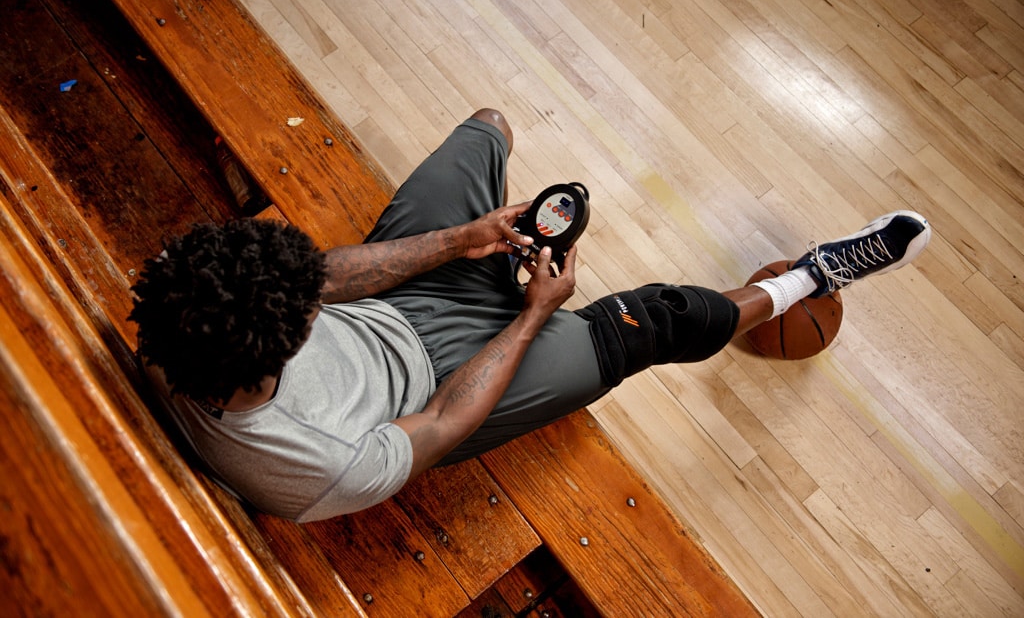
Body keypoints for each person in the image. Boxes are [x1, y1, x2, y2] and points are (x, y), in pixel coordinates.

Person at [130, 109, 931, 522]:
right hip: (436, 392)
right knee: (653, 320)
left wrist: (459, 239)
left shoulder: (180, 308)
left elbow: (320, 279)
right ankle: (808, 278)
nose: (307, 303)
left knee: (488, 130)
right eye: (301, 314)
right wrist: (532, 316)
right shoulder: (321, 465)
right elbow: (443, 422)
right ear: (279, 353)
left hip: (390, 307)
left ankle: (502, 263)